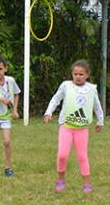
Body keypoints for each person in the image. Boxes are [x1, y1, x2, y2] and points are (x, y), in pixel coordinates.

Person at [44, 60, 104, 194]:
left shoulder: (91, 89)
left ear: (87, 75)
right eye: (75, 74)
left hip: (82, 128)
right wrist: (48, 112)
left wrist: (100, 121)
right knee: (62, 155)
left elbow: (97, 105)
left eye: (81, 74)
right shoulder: (66, 86)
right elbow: (56, 99)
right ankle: (61, 181)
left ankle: (87, 184)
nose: (78, 76)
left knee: (82, 156)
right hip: (66, 126)